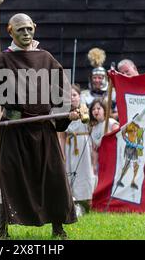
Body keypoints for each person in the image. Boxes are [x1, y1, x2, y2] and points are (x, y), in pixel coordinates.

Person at [0, 13, 78, 240]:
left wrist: (66, 113)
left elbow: (61, 92)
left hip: (43, 129)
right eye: (20, 29)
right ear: (10, 31)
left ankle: (58, 227)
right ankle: (2, 231)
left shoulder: (46, 58)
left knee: (53, 176)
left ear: (34, 28)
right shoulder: (1, 61)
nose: (26, 33)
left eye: (29, 29)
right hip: (14, 128)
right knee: (11, 177)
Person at [59, 84, 94, 215]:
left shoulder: (86, 110)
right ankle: (72, 203)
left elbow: (93, 124)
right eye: (69, 96)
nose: (72, 98)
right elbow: (62, 136)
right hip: (69, 146)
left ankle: (86, 202)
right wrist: (62, 153)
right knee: (69, 172)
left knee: (84, 174)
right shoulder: (64, 114)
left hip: (83, 147)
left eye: (74, 95)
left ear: (79, 96)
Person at [89, 98, 119, 182]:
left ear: (104, 109)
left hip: (113, 158)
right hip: (102, 160)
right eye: (93, 109)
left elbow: (119, 141)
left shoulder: (111, 122)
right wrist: (94, 165)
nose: (96, 111)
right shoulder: (93, 129)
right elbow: (95, 150)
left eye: (98, 108)